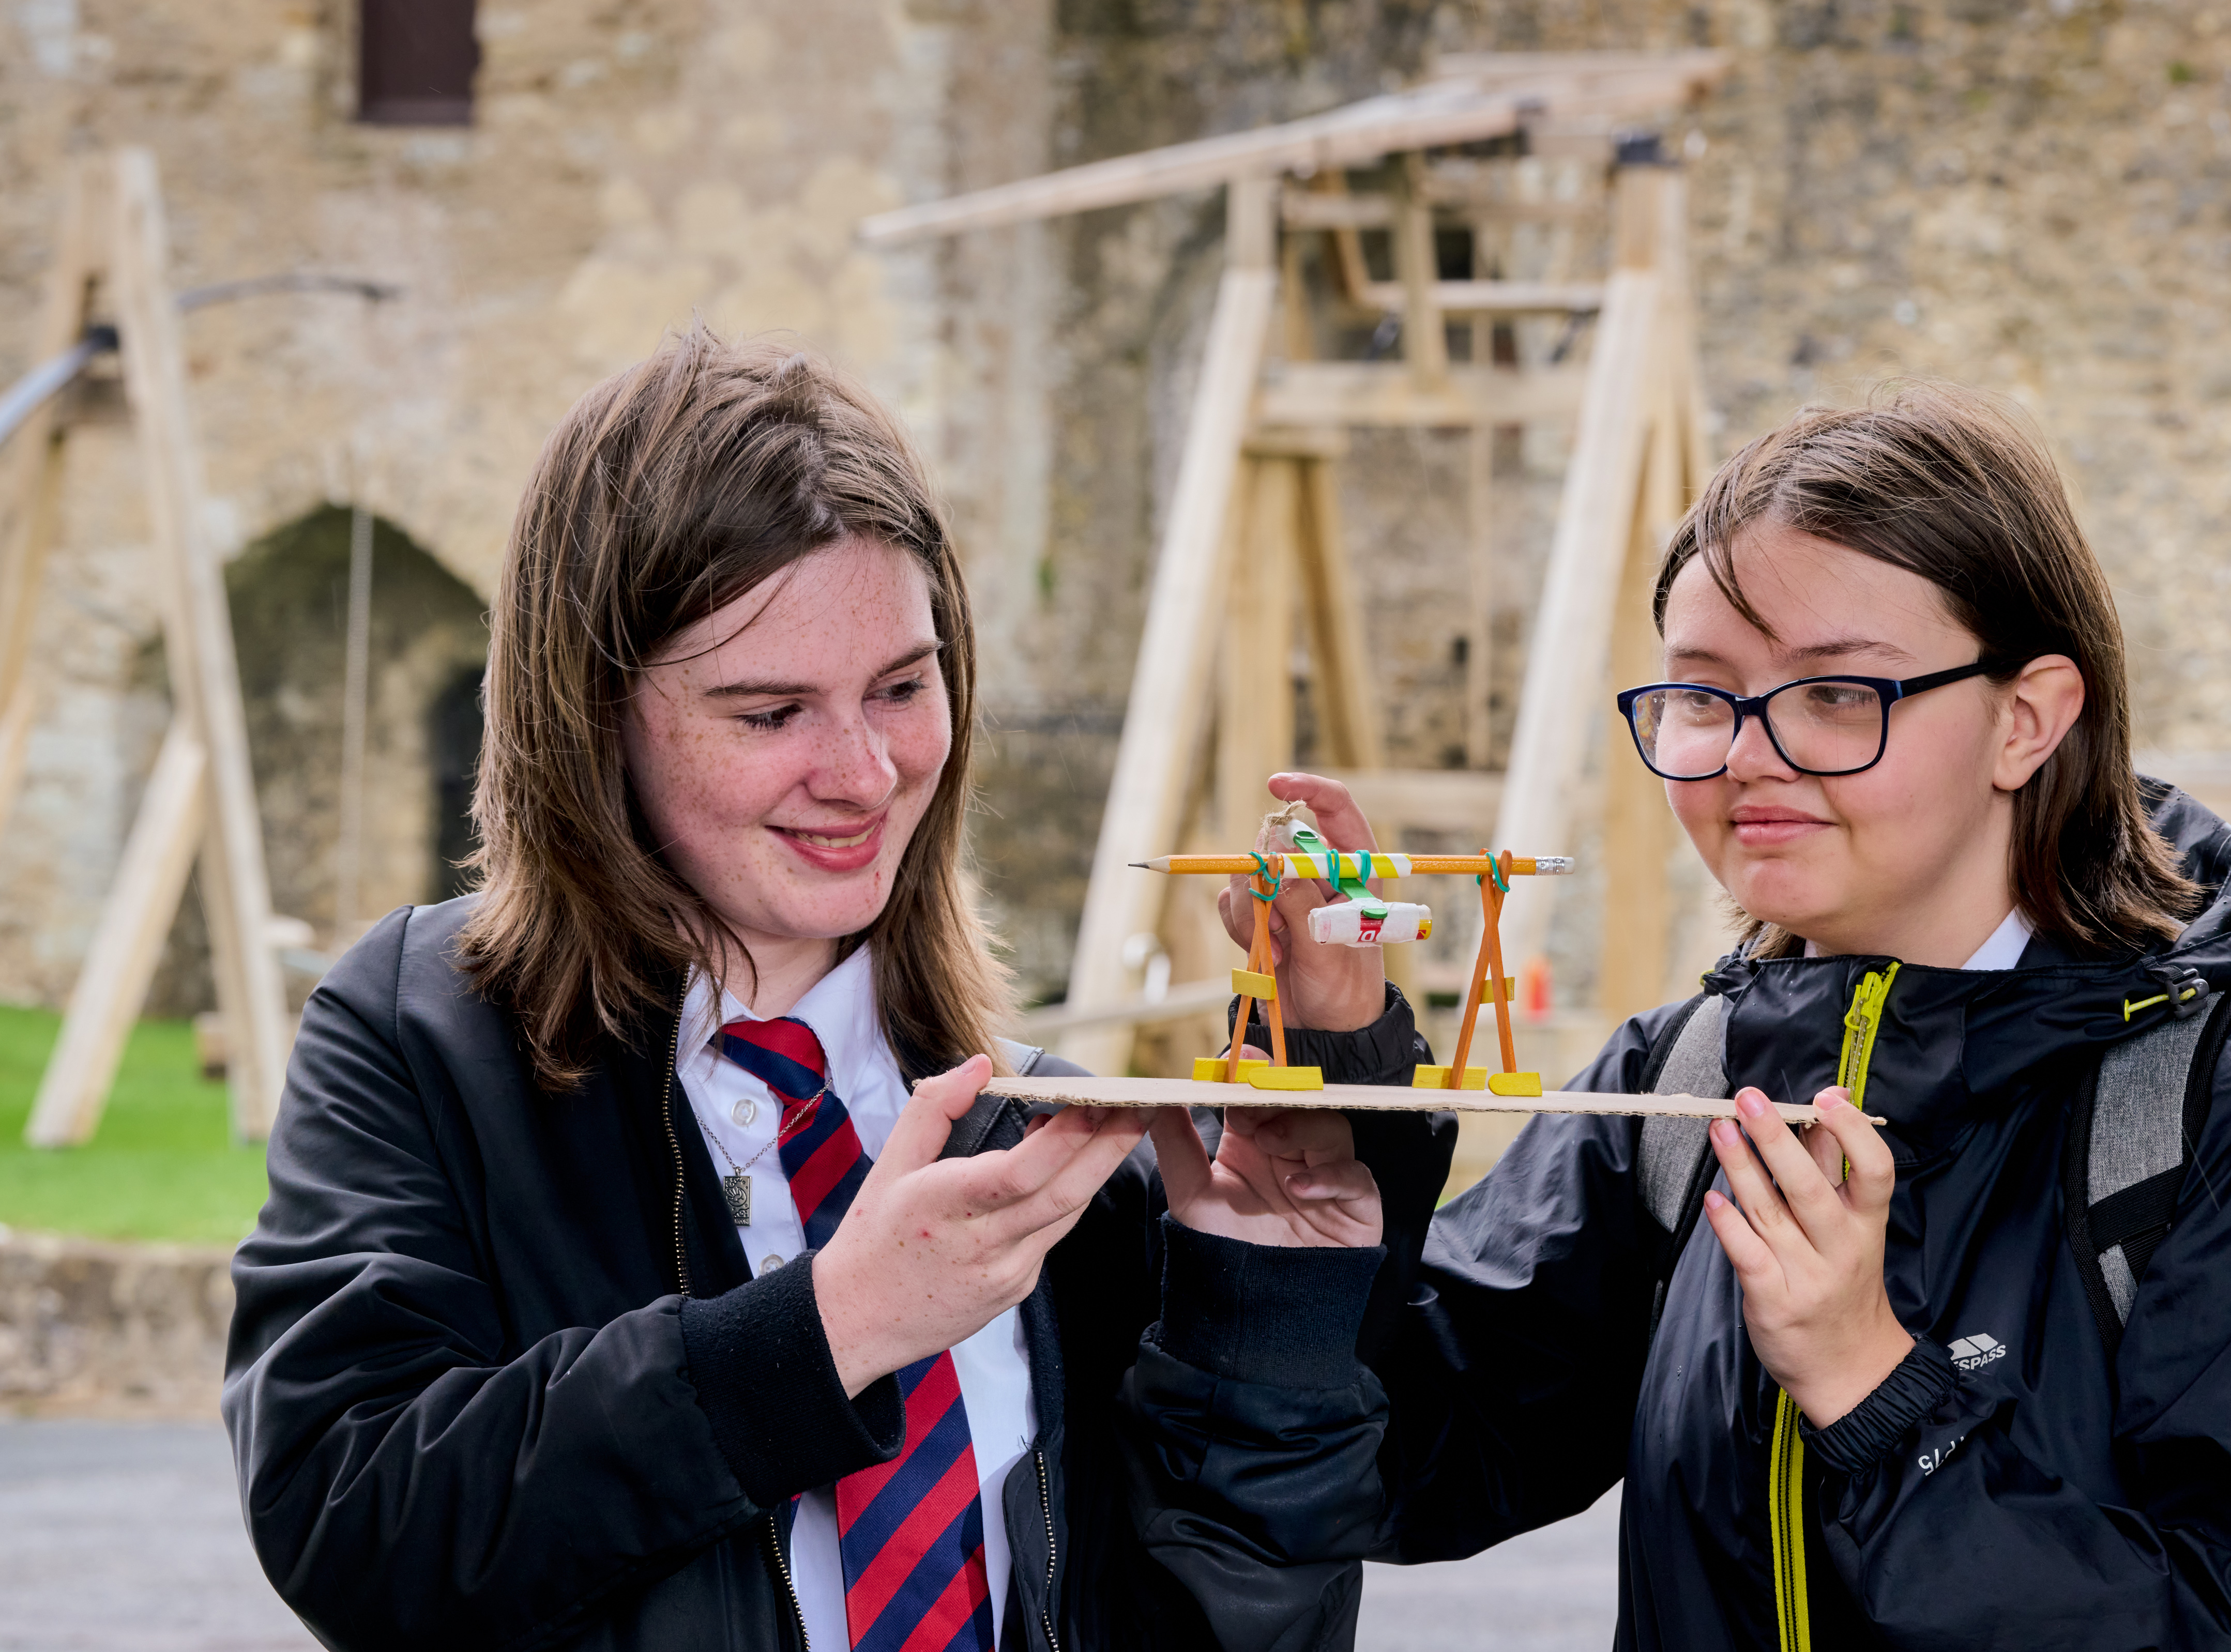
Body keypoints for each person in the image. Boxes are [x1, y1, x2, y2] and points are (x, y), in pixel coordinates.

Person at [221, 329, 1449, 1652]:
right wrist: (827, 1327)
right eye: (770, 713)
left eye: (903, 686)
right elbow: (351, 1521)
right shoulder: (424, 1038)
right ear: (593, 714)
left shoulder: (1055, 1139)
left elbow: (1233, 1616)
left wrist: (1264, 1333)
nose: (865, 774)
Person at [1261, 382, 2231, 1648]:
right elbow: (1396, 1453)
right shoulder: (1683, 1086)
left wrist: (1876, 1392)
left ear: (2026, 719)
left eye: (1838, 693)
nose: (1747, 754)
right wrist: (1330, 1103)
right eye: (1701, 694)